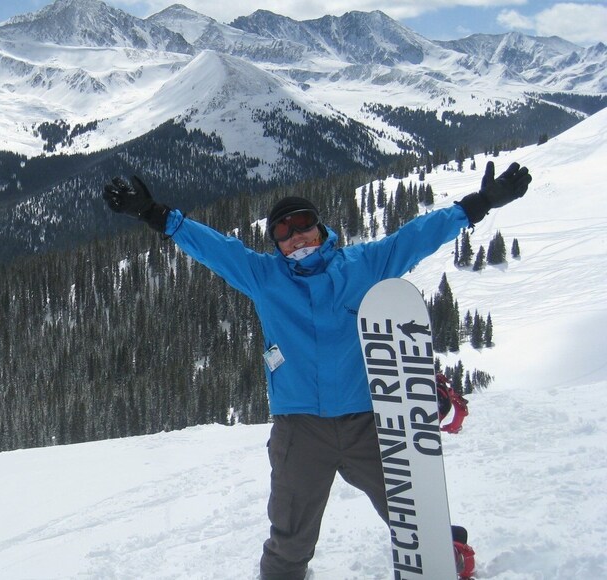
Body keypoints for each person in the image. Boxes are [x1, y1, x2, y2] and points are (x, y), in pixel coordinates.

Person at [103, 161, 531, 580]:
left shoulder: (364, 265)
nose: (295, 237)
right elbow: (213, 248)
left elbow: (416, 237)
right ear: (276, 243)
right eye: (283, 232)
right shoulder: (264, 277)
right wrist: (154, 214)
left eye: (302, 223)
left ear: (320, 226)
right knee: (290, 536)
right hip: (300, 429)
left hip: (369, 422)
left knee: (413, 512)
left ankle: (442, 553)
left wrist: (478, 204)